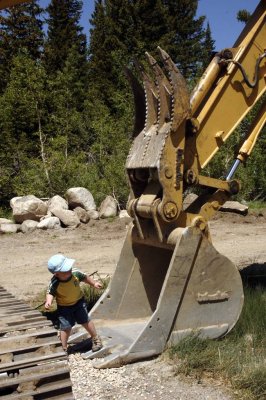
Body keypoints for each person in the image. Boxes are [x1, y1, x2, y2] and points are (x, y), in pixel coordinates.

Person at [45, 253, 103, 353]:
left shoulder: (75, 273)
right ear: (56, 273)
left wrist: (94, 283)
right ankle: (63, 348)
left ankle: (95, 339)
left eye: (69, 267)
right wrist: (48, 301)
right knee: (65, 327)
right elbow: (50, 292)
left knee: (86, 321)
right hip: (64, 307)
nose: (70, 269)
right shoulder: (55, 282)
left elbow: (85, 277)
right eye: (66, 269)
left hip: (79, 303)